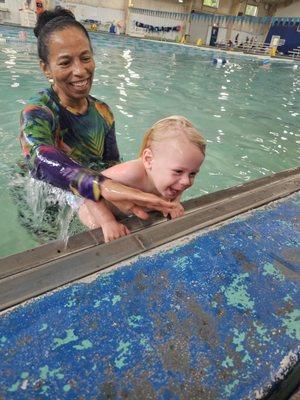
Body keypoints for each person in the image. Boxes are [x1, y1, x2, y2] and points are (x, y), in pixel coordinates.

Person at [19, 6, 176, 241]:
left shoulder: (103, 113)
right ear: (46, 68)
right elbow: (39, 158)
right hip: (51, 199)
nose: (80, 71)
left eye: (85, 58)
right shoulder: (38, 112)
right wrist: (99, 185)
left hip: (92, 191)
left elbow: (112, 163)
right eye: (65, 63)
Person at [78, 116, 206, 242]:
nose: (186, 182)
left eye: (193, 174)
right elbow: (86, 187)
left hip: (130, 212)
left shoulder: (175, 178)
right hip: (94, 212)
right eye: (178, 171)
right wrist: (107, 222)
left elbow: (179, 185)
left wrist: (175, 202)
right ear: (149, 159)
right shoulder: (130, 173)